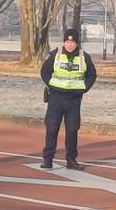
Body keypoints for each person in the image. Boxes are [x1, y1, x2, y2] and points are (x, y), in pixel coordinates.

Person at [39, 27, 97, 170]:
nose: (70, 44)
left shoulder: (84, 57)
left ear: (77, 43)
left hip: (74, 99)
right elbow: (44, 71)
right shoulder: (55, 55)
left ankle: (71, 160)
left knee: (72, 130)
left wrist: (85, 87)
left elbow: (92, 75)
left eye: (73, 42)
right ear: (64, 42)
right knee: (52, 128)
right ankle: (48, 159)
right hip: (56, 98)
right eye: (67, 41)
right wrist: (51, 84)